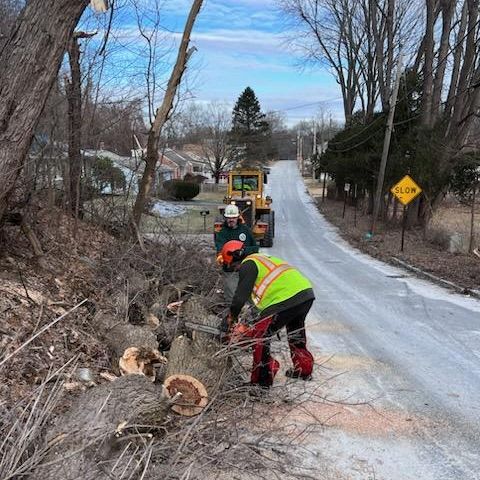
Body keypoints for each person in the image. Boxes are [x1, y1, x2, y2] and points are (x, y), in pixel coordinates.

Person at [220, 240, 315, 388]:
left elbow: (240, 297)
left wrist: (230, 318)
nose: (236, 270)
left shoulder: (248, 264)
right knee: (295, 332)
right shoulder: (261, 259)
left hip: (285, 299)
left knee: (260, 338)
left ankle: (261, 382)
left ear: (235, 258)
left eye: (233, 266)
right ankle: (303, 369)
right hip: (305, 294)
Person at [215, 204, 259, 303]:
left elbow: (255, 248)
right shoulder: (222, 233)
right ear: (225, 218)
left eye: (233, 217)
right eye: (229, 218)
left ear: (238, 217)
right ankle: (232, 316)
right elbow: (220, 249)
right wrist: (222, 257)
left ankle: (250, 316)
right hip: (230, 270)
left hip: (246, 268)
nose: (231, 220)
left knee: (249, 297)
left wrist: (243, 252)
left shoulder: (245, 230)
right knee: (232, 298)